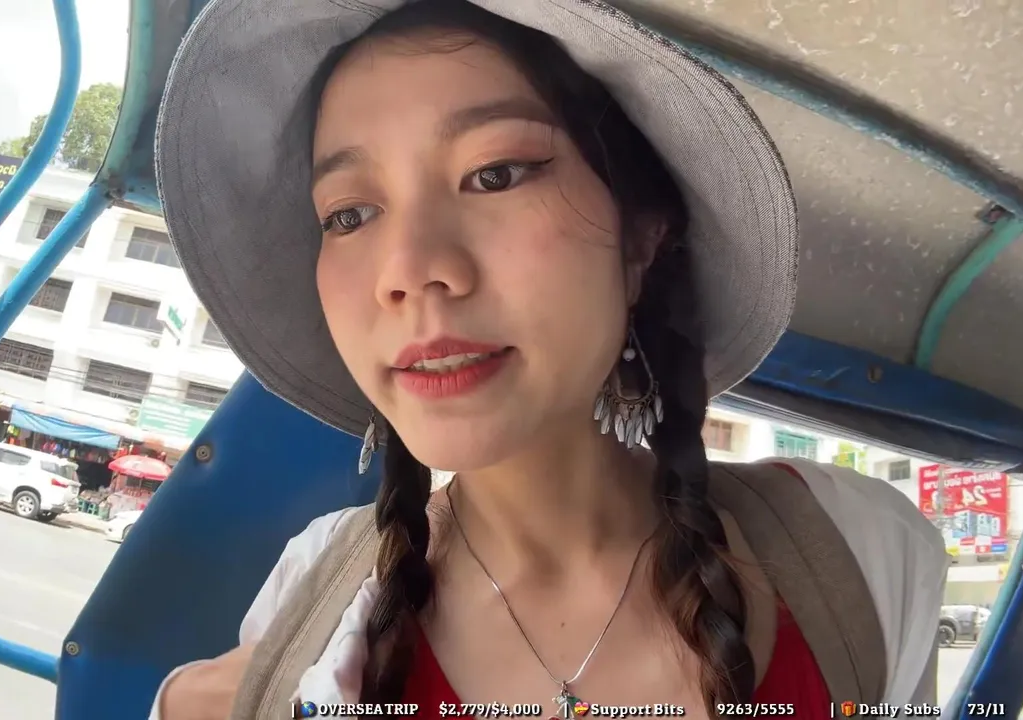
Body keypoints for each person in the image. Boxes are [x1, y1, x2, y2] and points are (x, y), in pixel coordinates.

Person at [148, 1, 948, 718]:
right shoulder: (314, 611)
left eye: (494, 175)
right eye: (350, 214)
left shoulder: (857, 559)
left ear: (640, 240)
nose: (409, 270)